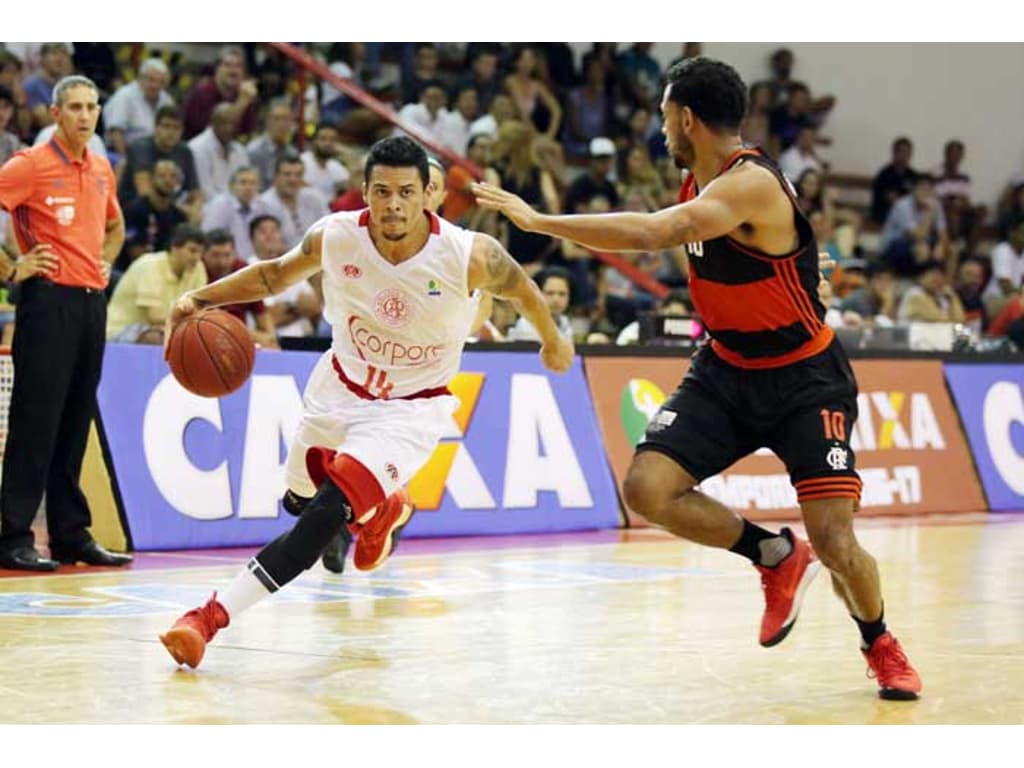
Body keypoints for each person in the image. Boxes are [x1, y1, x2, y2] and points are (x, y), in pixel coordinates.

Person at [474, 57, 921, 701]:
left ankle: (879, 642)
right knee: (649, 488)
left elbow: (662, 232)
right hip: (726, 369)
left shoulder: (748, 185)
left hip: (804, 381)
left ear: (685, 118)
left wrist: (541, 221)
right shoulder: (703, 183)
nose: (660, 130)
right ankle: (772, 555)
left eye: (663, 117)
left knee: (835, 540)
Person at [159, 136, 574, 668]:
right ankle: (385, 509)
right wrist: (197, 298)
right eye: (382, 192)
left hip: (409, 409)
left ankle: (206, 619)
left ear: (428, 193)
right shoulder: (335, 236)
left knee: (319, 523)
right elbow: (271, 275)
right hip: (336, 388)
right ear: (364, 193)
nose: (393, 205)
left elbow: (524, 290)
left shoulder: (469, 254)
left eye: (406, 192)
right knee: (298, 503)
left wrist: (552, 339)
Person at [0, 75, 132, 570]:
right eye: (74, 107)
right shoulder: (29, 166)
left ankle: (70, 533)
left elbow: (115, 225)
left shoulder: (101, 169)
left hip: (90, 302)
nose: (84, 116)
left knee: (77, 419)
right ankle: (12, 534)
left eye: (91, 108)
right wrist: (13, 267)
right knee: (37, 421)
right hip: (47, 301)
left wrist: (107, 260)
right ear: (54, 113)